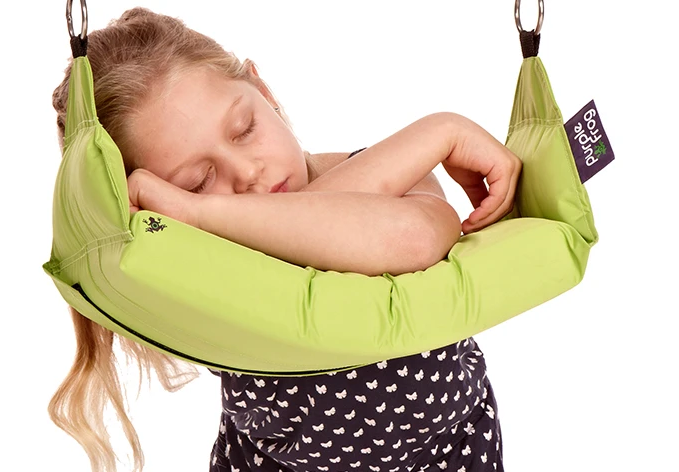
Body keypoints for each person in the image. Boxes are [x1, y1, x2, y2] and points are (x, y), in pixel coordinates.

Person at [50, 7, 521, 472]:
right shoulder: (198, 256)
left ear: (264, 91)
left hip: (451, 457)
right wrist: (441, 135)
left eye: (244, 129)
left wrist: (442, 126)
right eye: (197, 181)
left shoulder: (393, 170)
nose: (247, 173)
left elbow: (415, 237)